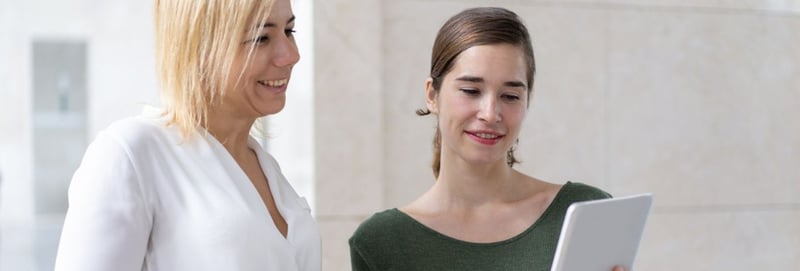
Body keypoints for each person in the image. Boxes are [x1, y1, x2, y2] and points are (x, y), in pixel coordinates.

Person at [349, 7, 624, 271]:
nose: (491, 114)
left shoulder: (584, 212)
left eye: (510, 96)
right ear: (432, 95)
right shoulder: (382, 243)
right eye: (471, 90)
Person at [54, 0, 320, 270]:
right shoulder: (129, 155)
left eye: (289, 31)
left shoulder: (268, 170)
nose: (290, 55)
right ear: (200, 45)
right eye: (261, 38)